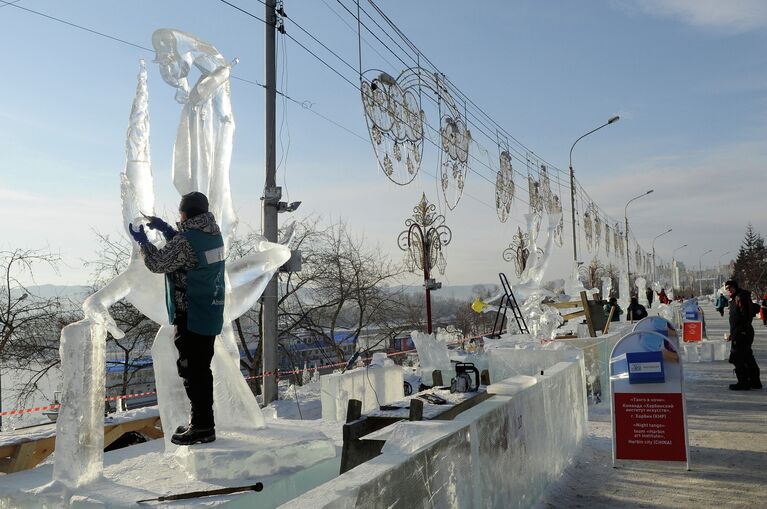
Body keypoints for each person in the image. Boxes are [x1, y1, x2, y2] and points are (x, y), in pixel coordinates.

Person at [129, 191, 226, 444]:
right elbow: (188, 250)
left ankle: (203, 427)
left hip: (191, 314)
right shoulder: (212, 233)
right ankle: (202, 422)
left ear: (185, 213)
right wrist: (166, 230)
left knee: (193, 372)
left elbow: (159, 263)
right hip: (209, 311)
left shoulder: (186, 242)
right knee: (201, 370)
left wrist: (143, 243)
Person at [723, 280, 762, 390]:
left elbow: (746, 315)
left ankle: (743, 382)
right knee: (747, 356)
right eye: (727, 288)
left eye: (730, 287)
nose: (728, 290)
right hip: (741, 332)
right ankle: (755, 382)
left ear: (735, 287)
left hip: (742, 333)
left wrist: (741, 331)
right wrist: (733, 333)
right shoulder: (737, 298)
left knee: (737, 357)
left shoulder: (740, 298)